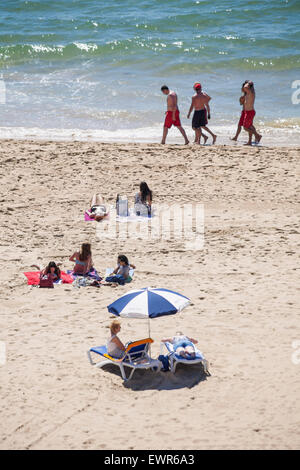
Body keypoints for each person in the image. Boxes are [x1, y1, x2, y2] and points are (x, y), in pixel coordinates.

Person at [242, 80, 262, 145]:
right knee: (250, 126)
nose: (245, 86)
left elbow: (245, 87)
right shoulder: (248, 93)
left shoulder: (251, 92)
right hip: (248, 112)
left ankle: (257, 135)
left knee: (245, 127)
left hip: (250, 112)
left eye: (247, 85)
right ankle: (249, 141)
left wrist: (248, 83)